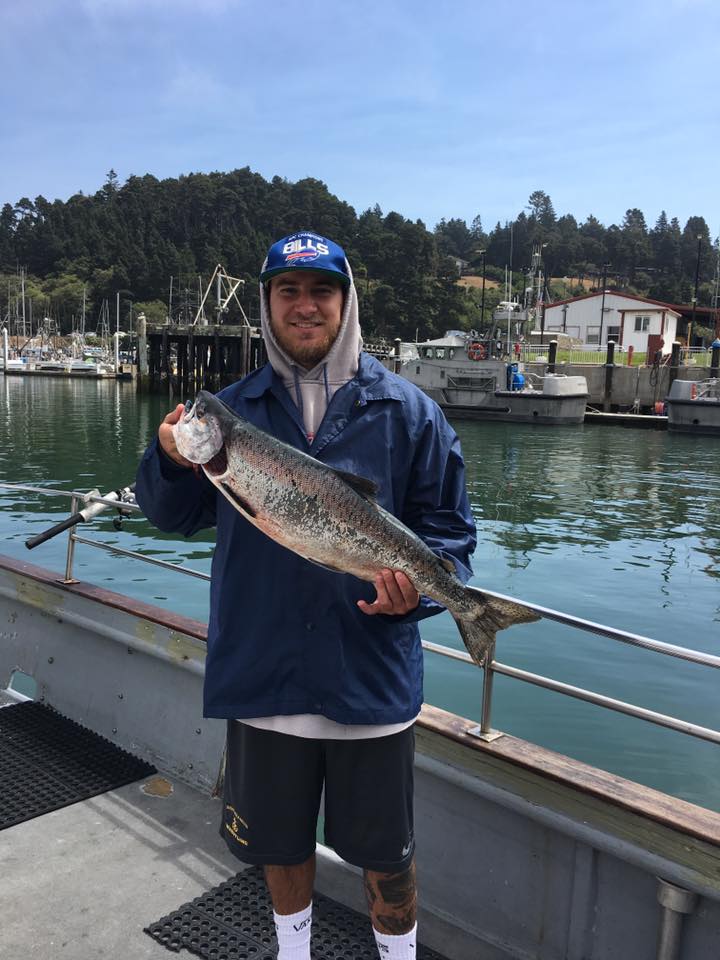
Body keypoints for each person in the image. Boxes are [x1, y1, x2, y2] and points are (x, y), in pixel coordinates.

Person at [135, 230, 477, 960]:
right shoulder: (226, 413)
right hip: (266, 675)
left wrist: (414, 599)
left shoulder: (412, 415)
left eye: (321, 290)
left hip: (371, 678)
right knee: (278, 845)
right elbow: (172, 516)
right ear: (267, 304)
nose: (305, 305)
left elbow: (451, 537)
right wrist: (165, 459)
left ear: (346, 302)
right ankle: (295, 953)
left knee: (389, 856)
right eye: (287, 291)